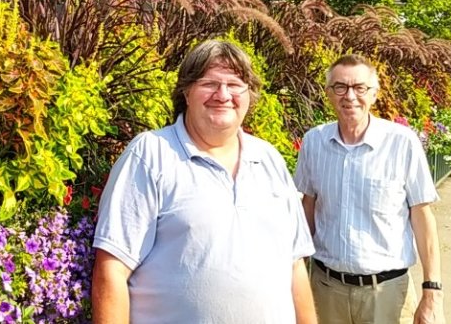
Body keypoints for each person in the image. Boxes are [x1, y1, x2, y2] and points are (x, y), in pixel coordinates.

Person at [91, 40, 317, 323]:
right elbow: (112, 268)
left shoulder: (268, 158)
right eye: (209, 83)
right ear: (186, 92)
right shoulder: (151, 154)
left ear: (249, 95)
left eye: (235, 84)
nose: (223, 95)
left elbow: (294, 266)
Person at [294, 54, 445, 324]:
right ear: (329, 93)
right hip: (326, 290)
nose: (350, 96)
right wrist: (294, 275)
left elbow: (422, 217)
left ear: (374, 94)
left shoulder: (402, 143)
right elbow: (308, 210)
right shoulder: (314, 142)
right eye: (340, 87)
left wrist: (432, 291)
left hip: (386, 295)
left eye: (360, 88)